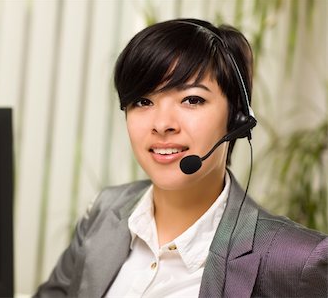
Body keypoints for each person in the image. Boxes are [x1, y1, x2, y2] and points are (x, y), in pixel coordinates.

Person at [34, 18, 327, 298]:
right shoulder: (103, 212)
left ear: (237, 118)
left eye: (192, 99)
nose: (162, 124)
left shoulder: (295, 259)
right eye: (143, 101)